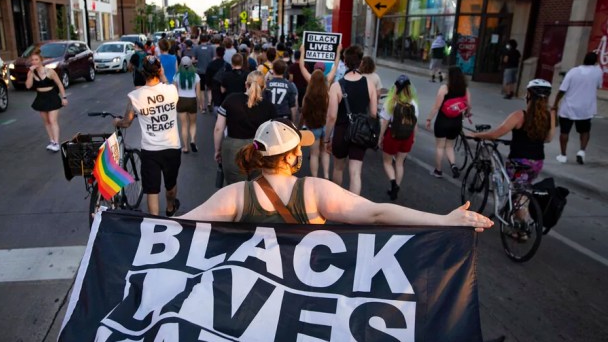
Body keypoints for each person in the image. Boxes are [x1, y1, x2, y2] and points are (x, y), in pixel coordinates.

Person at [179, 117, 495, 229]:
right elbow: (377, 214)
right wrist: (443, 220)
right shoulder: (315, 190)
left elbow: (176, 228)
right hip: (308, 305)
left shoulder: (234, 195)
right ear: (292, 156)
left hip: (253, 308)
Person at [469, 79, 556, 238]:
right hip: (537, 162)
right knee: (522, 189)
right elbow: (549, 138)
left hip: (518, 162)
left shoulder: (519, 115)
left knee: (516, 193)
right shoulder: (550, 115)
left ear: (529, 95)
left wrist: (476, 135)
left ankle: (522, 228)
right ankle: (519, 218)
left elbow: (496, 134)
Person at [113, 55, 182, 217]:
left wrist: (117, 122)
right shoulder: (172, 90)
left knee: (152, 190)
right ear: (159, 70)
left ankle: (155, 223)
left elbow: (126, 122)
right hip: (172, 147)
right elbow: (166, 83)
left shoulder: (135, 96)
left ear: (143, 73)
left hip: (150, 150)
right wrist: (163, 74)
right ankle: (171, 206)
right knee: (170, 185)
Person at [325, 45, 379, 195]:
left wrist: (327, 138)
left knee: (338, 168)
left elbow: (332, 117)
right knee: (355, 173)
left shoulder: (336, 86)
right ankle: (354, 208)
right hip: (360, 132)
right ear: (361, 62)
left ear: (345, 61)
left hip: (341, 131)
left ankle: (337, 202)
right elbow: (373, 113)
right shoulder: (369, 84)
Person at [214, 71, 276, 185]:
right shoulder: (269, 106)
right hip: (258, 149)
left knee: (235, 189)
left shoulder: (231, 100)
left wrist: (217, 150)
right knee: (256, 188)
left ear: (246, 84)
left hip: (233, 148)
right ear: (264, 87)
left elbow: (219, 128)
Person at [552, 52, 602, 164]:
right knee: (585, 131)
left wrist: (555, 104)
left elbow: (562, 90)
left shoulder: (573, 72)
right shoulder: (597, 72)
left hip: (569, 107)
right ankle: (581, 151)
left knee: (564, 131)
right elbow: (598, 85)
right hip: (586, 108)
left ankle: (563, 155)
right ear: (595, 61)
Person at [425, 66, 472, 179]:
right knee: (449, 146)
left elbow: (436, 106)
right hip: (456, 121)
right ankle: (453, 165)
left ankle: (438, 170)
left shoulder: (444, 88)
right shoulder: (465, 89)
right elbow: (469, 105)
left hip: (443, 121)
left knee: (440, 147)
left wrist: (429, 119)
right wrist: (466, 114)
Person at [378, 75, 419, 201]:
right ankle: (396, 187)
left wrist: (380, 138)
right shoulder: (413, 103)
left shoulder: (391, 102)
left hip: (393, 135)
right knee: (400, 163)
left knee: (387, 162)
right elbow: (415, 123)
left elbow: (384, 122)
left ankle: (393, 183)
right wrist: (414, 137)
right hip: (407, 136)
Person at [25, 49, 68, 152]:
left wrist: (64, 97)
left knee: (53, 120)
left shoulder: (50, 71)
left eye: (36, 59)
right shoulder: (32, 73)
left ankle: (56, 143)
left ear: (41, 60)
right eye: (32, 60)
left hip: (52, 96)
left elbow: (59, 84)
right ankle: (52, 141)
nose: (34, 62)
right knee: (46, 121)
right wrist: (30, 73)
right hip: (41, 97)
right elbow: (28, 86)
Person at [299, 68, 331, 179]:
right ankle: (326, 175)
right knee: (325, 151)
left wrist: (299, 126)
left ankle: (315, 178)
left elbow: (303, 113)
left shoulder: (307, 97)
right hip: (326, 126)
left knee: (314, 154)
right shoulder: (327, 95)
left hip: (313, 127)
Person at [173, 56, 201, 154]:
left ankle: (185, 147)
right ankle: (192, 140)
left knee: (184, 125)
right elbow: (198, 93)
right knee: (192, 123)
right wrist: (200, 104)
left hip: (180, 100)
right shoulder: (196, 76)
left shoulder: (176, 76)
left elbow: (174, 91)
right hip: (192, 100)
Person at [192, 34, 215, 113]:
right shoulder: (211, 48)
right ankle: (209, 102)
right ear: (207, 40)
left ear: (200, 40)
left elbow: (193, 60)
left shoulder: (196, 48)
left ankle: (203, 107)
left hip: (200, 71)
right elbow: (214, 59)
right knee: (209, 89)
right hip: (209, 71)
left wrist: (198, 61)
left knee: (201, 90)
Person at [207, 46, 229, 114]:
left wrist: (209, 85)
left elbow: (208, 76)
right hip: (225, 87)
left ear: (216, 53)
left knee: (216, 103)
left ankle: (217, 117)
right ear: (224, 53)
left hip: (214, 86)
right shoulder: (227, 65)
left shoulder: (211, 64)